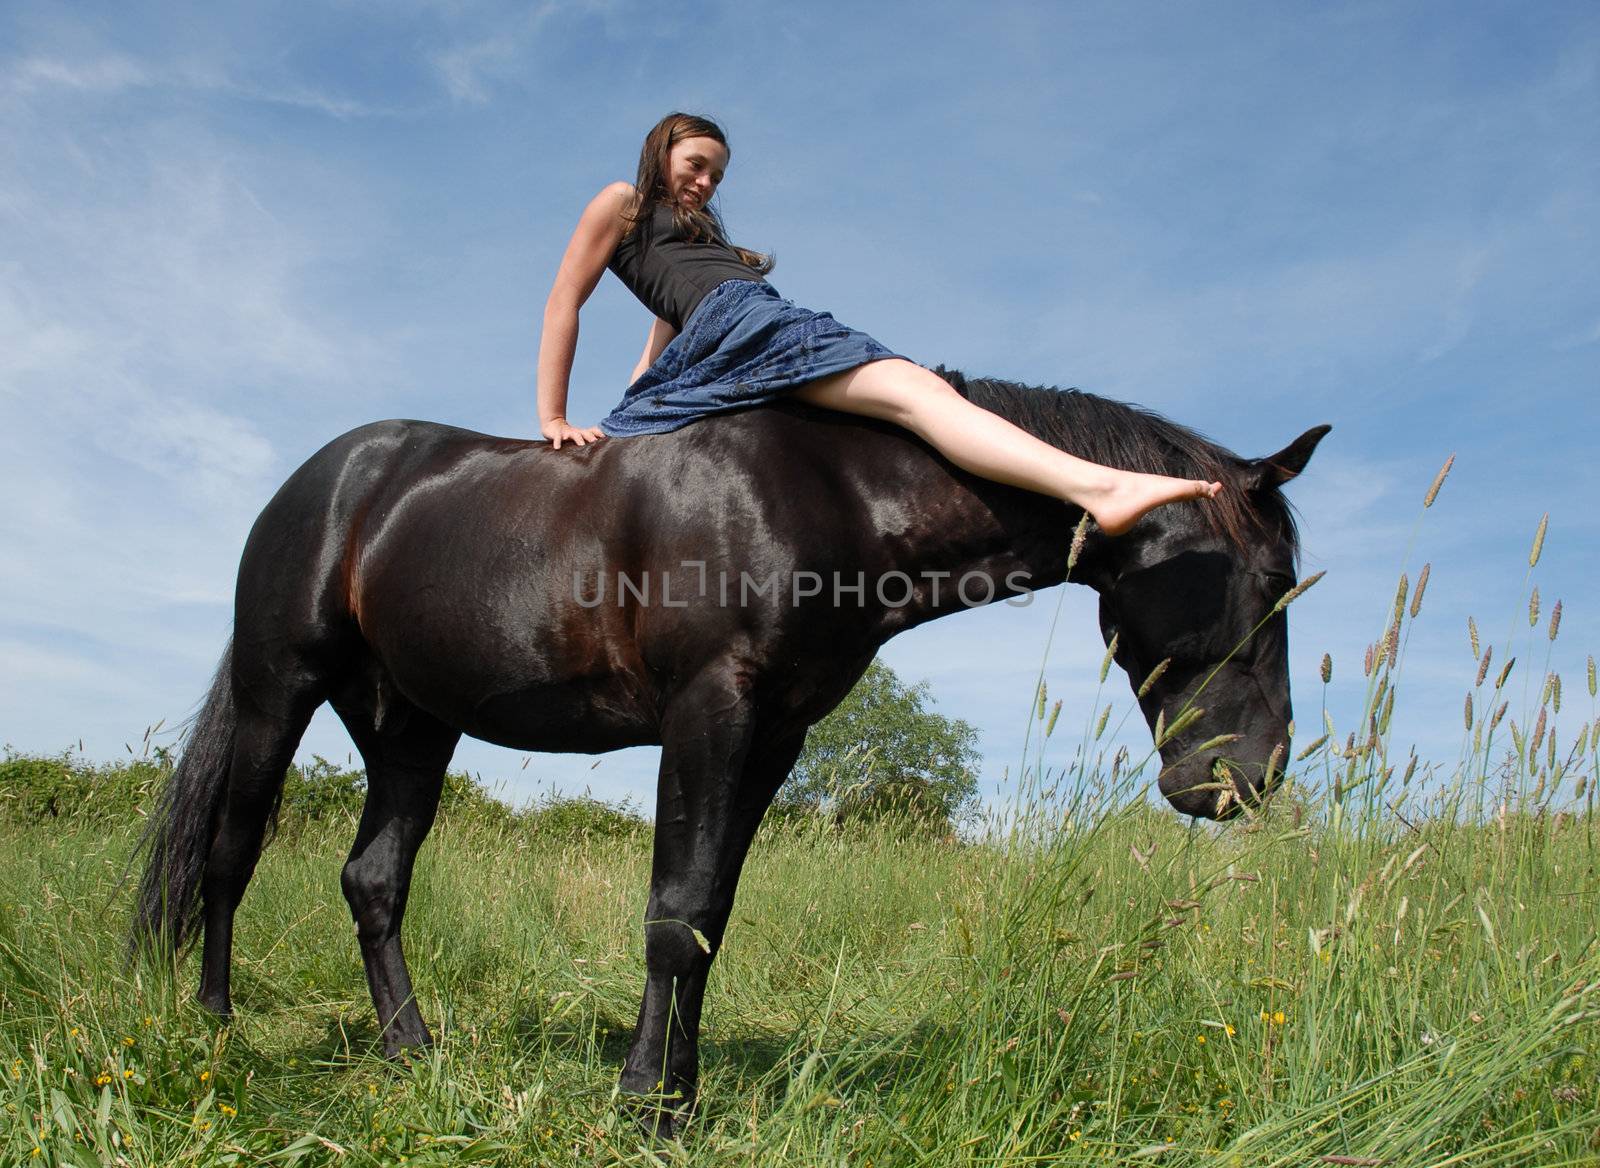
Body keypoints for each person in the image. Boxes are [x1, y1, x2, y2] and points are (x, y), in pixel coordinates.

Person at [536, 112, 1220, 536]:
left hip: (741, 330)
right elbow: (566, 297)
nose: (707, 183)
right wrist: (555, 416)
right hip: (745, 323)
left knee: (902, 408)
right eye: (696, 166)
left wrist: (641, 403)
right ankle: (1100, 487)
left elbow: (665, 343)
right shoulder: (622, 201)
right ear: (661, 153)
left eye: (717, 175)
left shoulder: (701, 235)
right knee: (922, 396)